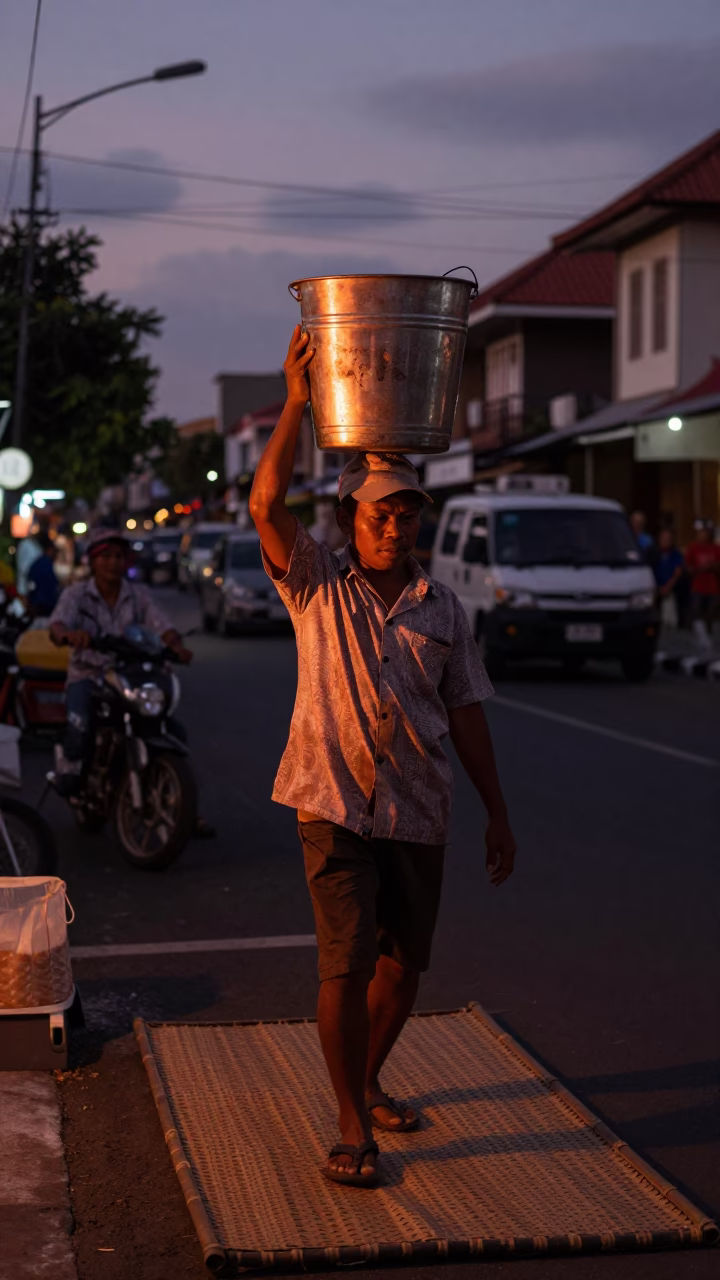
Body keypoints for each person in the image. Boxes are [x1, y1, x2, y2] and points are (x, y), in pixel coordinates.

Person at [249, 327, 516, 1189]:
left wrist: (498, 812)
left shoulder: (443, 609)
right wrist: (296, 402)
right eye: (379, 514)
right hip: (331, 801)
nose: (395, 526)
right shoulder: (316, 583)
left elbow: (466, 713)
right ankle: (351, 1122)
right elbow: (264, 505)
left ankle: (366, 1079)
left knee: (404, 969)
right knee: (348, 961)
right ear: (348, 521)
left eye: (406, 513)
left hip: (420, 806)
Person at [48, 528, 192, 789]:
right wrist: (68, 635)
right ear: (93, 561)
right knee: (80, 725)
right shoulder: (76, 595)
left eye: (119, 556)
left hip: (129, 676)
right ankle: (69, 770)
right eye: (106, 556)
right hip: (89, 675)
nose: (113, 562)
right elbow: (57, 625)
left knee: (170, 728)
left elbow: (162, 625)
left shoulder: (138, 595)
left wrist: (176, 645)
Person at [684, 519, 720, 651]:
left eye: (705, 532)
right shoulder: (693, 548)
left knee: (711, 612)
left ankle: (708, 636)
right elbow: (687, 567)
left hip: (713, 587)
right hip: (698, 586)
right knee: (697, 611)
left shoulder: (716, 548)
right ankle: (699, 636)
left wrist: (712, 566)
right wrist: (698, 568)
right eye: (700, 532)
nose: (702, 534)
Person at [653, 528, 684, 630]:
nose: (666, 541)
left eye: (668, 538)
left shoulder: (676, 554)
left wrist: (667, 587)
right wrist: (657, 587)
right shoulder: (653, 553)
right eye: (664, 538)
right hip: (654, 589)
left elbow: (678, 572)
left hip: (671, 589)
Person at [27, 533, 60, 618]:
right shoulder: (46, 564)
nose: (55, 554)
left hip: (37, 604)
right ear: (50, 550)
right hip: (46, 605)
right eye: (54, 551)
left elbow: (31, 584)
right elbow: (53, 585)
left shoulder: (37, 563)